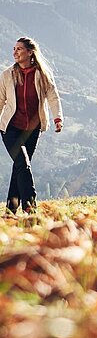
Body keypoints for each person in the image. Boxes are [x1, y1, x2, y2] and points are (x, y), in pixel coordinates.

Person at [0, 37, 63, 214]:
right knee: (22, 162)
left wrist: (58, 118)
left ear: (30, 52)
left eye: (19, 49)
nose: (15, 52)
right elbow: (0, 100)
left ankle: (11, 209)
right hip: (10, 128)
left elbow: (53, 97)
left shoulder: (42, 75)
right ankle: (30, 207)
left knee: (19, 166)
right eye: (14, 49)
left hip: (32, 130)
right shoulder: (7, 75)